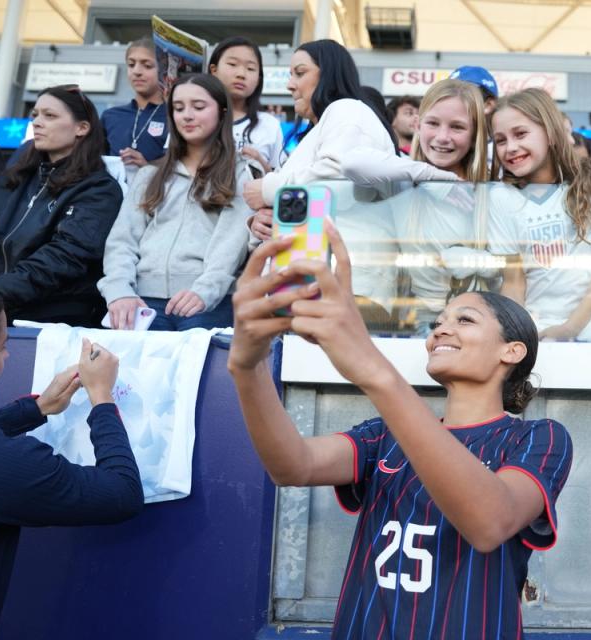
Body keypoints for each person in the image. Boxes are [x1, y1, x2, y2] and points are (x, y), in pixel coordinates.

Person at [227, 224, 572, 639]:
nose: (441, 330)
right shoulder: (384, 435)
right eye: (438, 321)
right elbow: (291, 465)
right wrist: (247, 367)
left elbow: (488, 524)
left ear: (511, 351)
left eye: (465, 319)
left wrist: (375, 371)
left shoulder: (538, 438)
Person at [0, 285, 143, 640]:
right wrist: (102, 398)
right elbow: (121, 493)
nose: (7, 357)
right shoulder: (7, 464)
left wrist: (36, 408)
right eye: (2, 346)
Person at [98, 74, 253, 331]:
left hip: (209, 304)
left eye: (199, 107)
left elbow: (230, 246)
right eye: (178, 108)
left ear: (223, 112)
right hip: (141, 303)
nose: (187, 115)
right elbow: (122, 241)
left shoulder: (242, 172)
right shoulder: (150, 174)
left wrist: (204, 292)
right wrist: (119, 291)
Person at [342, 79, 490, 332]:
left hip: (478, 324)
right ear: (417, 124)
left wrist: (477, 261)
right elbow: (352, 164)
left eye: (457, 127)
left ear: (475, 135)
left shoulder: (490, 186)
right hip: (417, 325)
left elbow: (514, 265)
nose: (442, 138)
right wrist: (428, 175)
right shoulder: (404, 180)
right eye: (433, 123)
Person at [488, 88, 591, 342]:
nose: (511, 147)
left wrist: (570, 328)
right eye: (500, 140)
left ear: (550, 133)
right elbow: (513, 282)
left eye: (520, 134)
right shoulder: (500, 198)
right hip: (533, 331)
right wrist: (517, 334)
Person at [0, 85, 124, 327]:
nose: (38, 122)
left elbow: (64, 258)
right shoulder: (16, 177)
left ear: (82, 128)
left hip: (52, 318)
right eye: (35, 115)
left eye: (50, 116)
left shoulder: (99, 190)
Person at [242, 39, 397, 242]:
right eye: (291, 75)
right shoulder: (322, 127)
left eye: (300, 73)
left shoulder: (348, 110)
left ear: (328, 74)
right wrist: (264, 221)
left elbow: (340, 181)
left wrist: (269, 190)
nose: (290, 85)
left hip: (344, 264)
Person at [208, 36, 285, 175]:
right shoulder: (195, 116)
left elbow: (279, 184)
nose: (241, 74)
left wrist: (260, 164)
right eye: (232, 64)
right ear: (214, 70)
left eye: (250, 68)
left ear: (258, 79)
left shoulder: (269, 125)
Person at [101, 37, 168, 175]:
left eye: (147, 65)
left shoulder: (175, 116)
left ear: (164, 71)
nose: (137, 71)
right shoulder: (110, 116)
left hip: (155, 194)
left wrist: (147, 167)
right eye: (131, 64)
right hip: (112, 194)